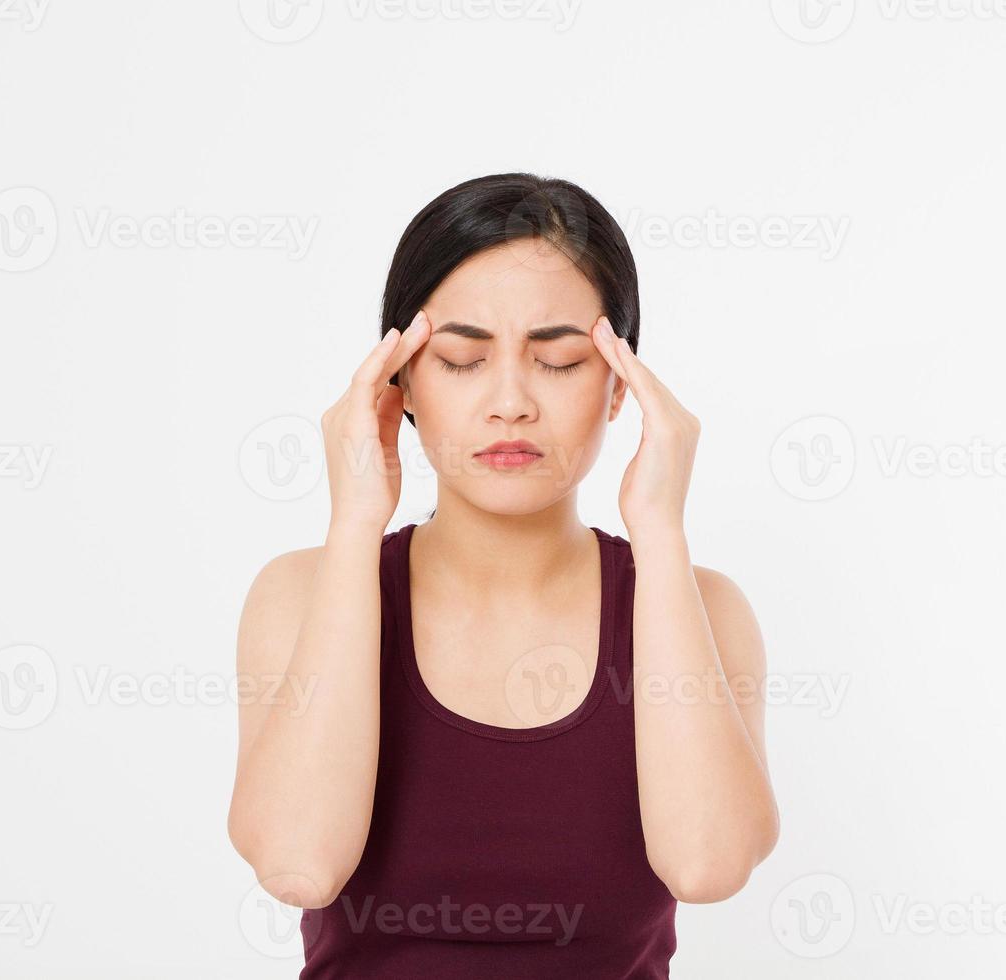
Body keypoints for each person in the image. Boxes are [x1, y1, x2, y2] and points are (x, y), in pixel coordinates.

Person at [227, 173, 780, 978]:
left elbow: (707, 867)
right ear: (401, 380)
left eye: (557, 361)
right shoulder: (301, 595)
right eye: (461, 359)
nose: (511, 402)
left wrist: (659, 533)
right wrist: (355, 525)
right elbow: (298, 863)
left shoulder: (703, 608)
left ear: (621, 385)